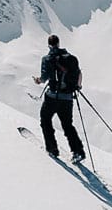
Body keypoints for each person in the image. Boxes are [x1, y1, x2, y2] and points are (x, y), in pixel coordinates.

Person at [34, 34, 86, 162]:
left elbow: (44, 78)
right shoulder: (71, 58)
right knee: (68, 125)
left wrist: (38, 80)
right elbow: (79, 73)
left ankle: (52, 149)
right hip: (67, 98)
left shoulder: (47, 59)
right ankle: (78, 151)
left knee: (45, 120)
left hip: (52, 97)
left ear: (49, 45)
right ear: (58, 44)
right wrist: (77, 87)